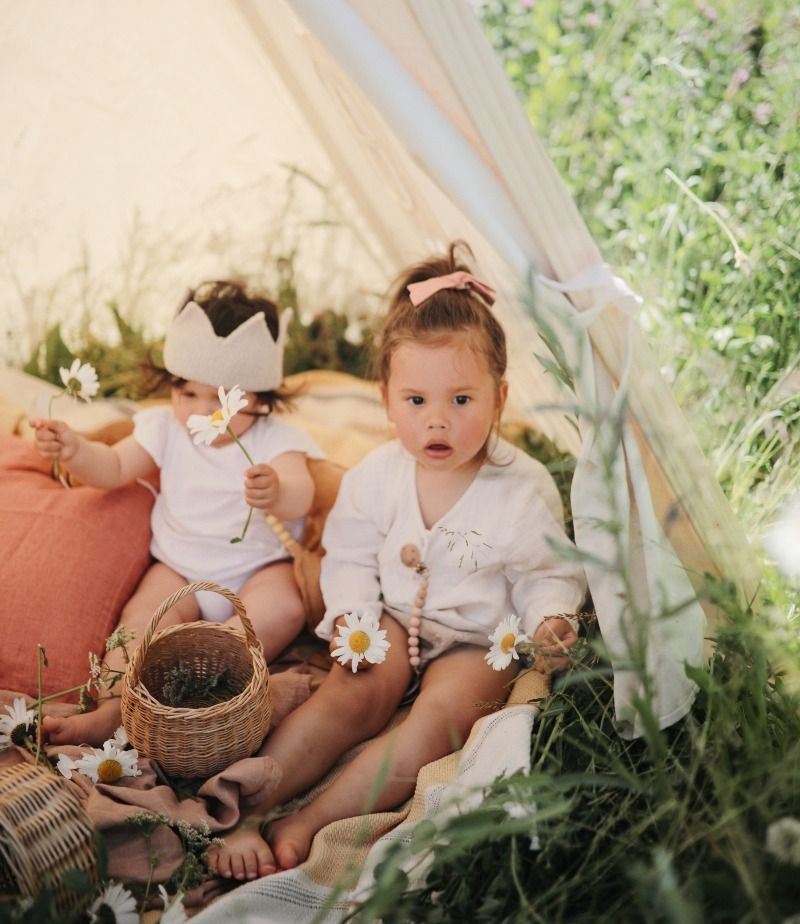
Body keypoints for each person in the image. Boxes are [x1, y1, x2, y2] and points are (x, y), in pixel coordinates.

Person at [209, 244, 586, 882]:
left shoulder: (521, 490)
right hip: (386, 616)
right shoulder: (377, 476)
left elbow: (543, 569)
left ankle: (311, 819)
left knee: (438, 721)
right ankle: (253, 799)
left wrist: (550, 617)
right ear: (386, 400)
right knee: (351, 693)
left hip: (475, 639)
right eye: (416, 401)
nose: (437, 421)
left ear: (500, 398)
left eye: (461, 401)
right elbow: (349, 554)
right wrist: (354, 618)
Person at [31, 280, 324, 745]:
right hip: (178, 568)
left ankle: (210, 674)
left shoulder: (275, 440)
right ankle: (111, 709)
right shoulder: (164, 427)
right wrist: (74, 449)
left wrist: (277, 491)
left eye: (222, 399)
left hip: (254, 568)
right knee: (140, 619)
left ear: (261, 397)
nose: (202, 413)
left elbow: (303, 494)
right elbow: (113, 467)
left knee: (285, 605)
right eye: (188, 395)